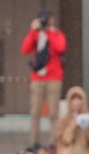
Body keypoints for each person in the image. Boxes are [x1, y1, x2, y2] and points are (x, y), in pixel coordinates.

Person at [20, 9, 66, 145]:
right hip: (37, 78)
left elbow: (60, 48)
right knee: (35, 112)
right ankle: (34, 142)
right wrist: (33, 31)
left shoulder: (56, 34)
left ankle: (54, 142)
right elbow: (25, 49)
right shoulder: (35, 34)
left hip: (54, 77)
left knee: (53, 113)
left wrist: (47, 32)